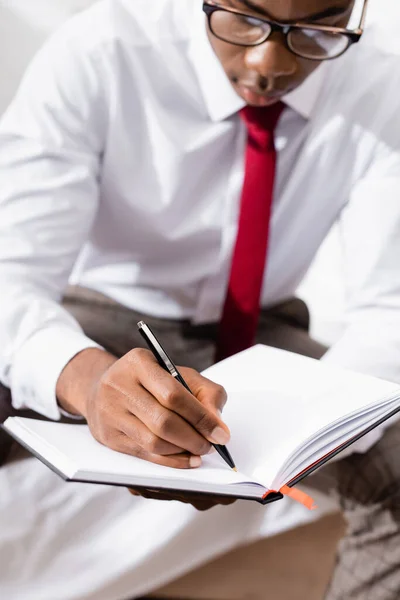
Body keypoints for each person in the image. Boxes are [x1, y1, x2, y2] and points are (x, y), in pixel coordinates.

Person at [1, 0, 400, 598]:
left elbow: (389, 313)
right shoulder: (100, 53)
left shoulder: (383, 90)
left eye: (318, 26)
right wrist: (87, 383)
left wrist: (302, 430)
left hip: (264, 330)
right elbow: (11, 277)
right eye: (243, 18)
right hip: (105, 316)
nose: (270, 64)